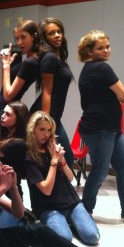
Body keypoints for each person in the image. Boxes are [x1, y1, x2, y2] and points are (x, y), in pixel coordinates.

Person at [77, 30, 124, 227]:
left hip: (110, 128)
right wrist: (121, 95)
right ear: (90, 51)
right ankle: (84, 211)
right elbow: (123, 93)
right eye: (100, 48)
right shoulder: (101, 68)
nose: (106, 51)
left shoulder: (89, 68)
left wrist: (121, 95)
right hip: (99, 129)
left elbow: (121, 95)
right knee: (100, 172)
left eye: (107, 47)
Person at [25, 111, 100, 244]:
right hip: (48, 207)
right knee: (65, 239)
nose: (46, 134)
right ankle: (64, 224)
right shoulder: (30, 157)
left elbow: (71, 178)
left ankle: (72, 223)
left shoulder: (52, 148)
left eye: (49, 130)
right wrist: (54, 162)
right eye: (42, 129)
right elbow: (46, 190)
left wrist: (62, 161)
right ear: (33, 130)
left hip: (70, 201)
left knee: (93, 237)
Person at [30, 18, 74, 169]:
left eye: (59, 32)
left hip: (53, 117)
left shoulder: (57, 57)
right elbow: (46, 92)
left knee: (60, 157)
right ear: (44, 38)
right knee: (64, 156)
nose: (57, 35)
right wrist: (45, 121)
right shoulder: (49, 58)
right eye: (52, 33)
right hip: (47, 115)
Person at [0, 19, 40, 137]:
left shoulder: (30, 62)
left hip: (5, 110)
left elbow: (8, 96)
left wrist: (6, 66)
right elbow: (6, 86)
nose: (20, 42)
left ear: (34, 37)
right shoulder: (29, 60)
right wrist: (6, 65)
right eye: (17, 38)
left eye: (23, 37)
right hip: (6, 110)